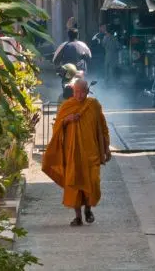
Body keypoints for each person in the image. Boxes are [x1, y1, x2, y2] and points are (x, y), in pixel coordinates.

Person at [42, 79, 111, 226]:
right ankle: (78, 216)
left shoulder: (94, 105)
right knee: (74, 185)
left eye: (82, 92)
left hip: (91, 153)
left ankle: (88, 209)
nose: (79, 95)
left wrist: (106, 148)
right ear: (73, 92)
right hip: (72, 154)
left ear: (87, 91)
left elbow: (103, 127)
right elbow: (57, 128)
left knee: (92, 183)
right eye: (76, 92)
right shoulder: (67, 106)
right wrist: (67, 120)